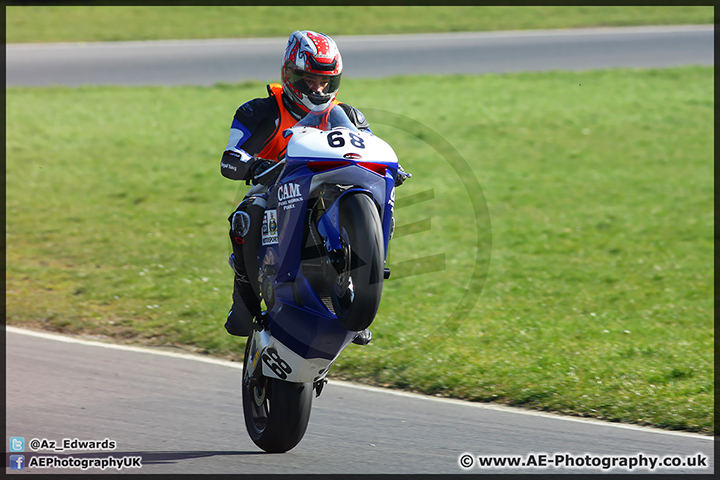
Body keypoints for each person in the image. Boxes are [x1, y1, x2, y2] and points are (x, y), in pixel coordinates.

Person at [220, 30, 374, 345]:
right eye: (309, 80)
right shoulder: (260, 110)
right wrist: (253, 166)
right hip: (273, 188)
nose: (318, 88)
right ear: (290, 74)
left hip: (333, 189)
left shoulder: (347, 116)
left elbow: (369, 151)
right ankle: (244, 300)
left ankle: (356, 292)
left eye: (325, 82)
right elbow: (231, 157)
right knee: (246, 216)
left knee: (376, 204)